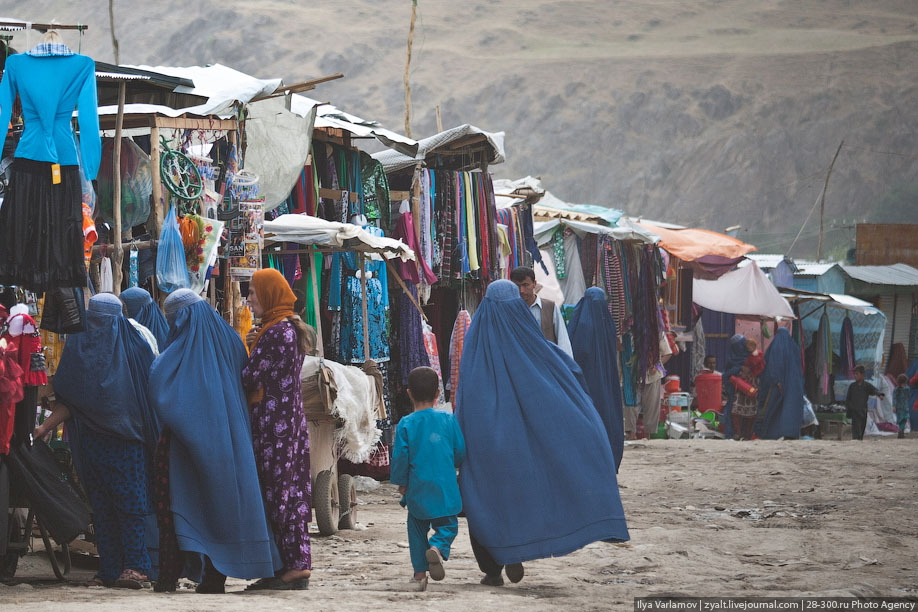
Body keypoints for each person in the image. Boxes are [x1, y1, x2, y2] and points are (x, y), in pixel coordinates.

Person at [456, 280, 629, 587]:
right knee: (521, 494)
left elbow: (465, 396)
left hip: (484, 441)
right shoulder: (539, 348)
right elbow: (570, 375)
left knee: (485, 496)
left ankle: (493, 568)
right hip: (520, 446)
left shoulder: (476, 344)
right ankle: (515, 551)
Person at [149, 289, 282, 593]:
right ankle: (213, 577)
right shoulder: (231, 340)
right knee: (219, 504)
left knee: (173, 507)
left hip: (181, 446)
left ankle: (168, 576)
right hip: (232, 440)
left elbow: (159, 386)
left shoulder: (179, 350)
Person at [40, 293, 158, 588]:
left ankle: (136, 567)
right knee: (102, 506)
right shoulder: (80, 347)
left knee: (131, 505)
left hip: (127, 440)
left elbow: (152, 390)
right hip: (93, 441)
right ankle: (109, 568)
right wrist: (44, 427)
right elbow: (72, 398)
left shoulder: (137, 345)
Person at [242, 268, 312, 590]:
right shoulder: (285, 329)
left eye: (254, 292)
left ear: (269, 294)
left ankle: (291, 565)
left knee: (277, 491)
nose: (250, 298)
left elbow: (250, 377)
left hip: (275, 427)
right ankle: (294, 563)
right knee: (291, 490)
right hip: (287, 421)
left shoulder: (274, 334)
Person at [390, 367, 466, 592]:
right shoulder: (448, 419)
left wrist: (401, 483)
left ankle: (420, 574)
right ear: (437, 395)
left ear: (409, 393)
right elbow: (460, 451)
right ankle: (438, 546)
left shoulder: (406, 423)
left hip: (417, 488)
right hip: (444, 487)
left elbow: (400, 457)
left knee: (415, 529)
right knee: (449, 525)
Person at [567, 287, 625, 470]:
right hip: (606, 379)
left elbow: (574, 349)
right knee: (606, 415)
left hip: (583, 380)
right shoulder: (606, 321)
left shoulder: (579, 320)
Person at [508, 266, 572, 357]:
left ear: (534, 284)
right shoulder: (510, 310)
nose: (521, 291)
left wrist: (567, 366)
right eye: (517, 286)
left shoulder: (550, 307)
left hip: (547, 364)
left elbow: (563, 340)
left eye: (525, 285)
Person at [755, 329, 806, 440]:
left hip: (777, 385)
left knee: (774, 409)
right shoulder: (793, 347)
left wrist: (777, 380)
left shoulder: (775, 347)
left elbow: (772, 365)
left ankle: (773, 432)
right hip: (794, 385)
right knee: (790, 408)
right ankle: (790, 432)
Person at [624, 327, 672, 440]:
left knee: (651, 406)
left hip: (652, 376)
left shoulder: (657, 331)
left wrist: (656, 365)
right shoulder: (626, 330)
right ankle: (631, 435)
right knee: (631, 406)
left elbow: (667, 353)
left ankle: (648, 436)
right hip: (631, 375)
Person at [733, 339, 765, 440]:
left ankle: (747, 435)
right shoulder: (739, 355)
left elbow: (760, 367)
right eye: (747, 344)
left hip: (751, 386)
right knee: (736, 409)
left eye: (752, 344)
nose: (749, 346)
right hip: (741, 386)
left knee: (751, 412)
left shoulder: (758, 355)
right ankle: (738, 433)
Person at [844, 364, 884, 441]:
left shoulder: (866, 386)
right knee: (856, 428)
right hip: (854, 411)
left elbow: (874, 390)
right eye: (854, 374)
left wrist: (880, 395)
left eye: (857, 374)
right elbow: (848, 399)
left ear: (862, 375)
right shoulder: (852, 386)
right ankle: (856, 440)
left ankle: (859, 440)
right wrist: (848, 408)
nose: (855, 376)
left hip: (863, 411)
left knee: (862, 427)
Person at [722, 334, 750, 439]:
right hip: (738, 392)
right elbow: (726, 377)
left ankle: (739, 433)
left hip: (743, 391)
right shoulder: (742, 359)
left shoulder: (735, 359)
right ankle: (736, 433)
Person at [893, 374, 910, 439]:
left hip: (902, 407)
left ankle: (901, 431)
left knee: (903, 419)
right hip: (902, 407)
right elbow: (908, 396)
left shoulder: (899, 389)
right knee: (903, 419)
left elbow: (894, 398)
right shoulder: (903, 389)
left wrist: (894, 406)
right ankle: (901, 432)